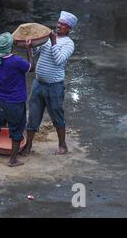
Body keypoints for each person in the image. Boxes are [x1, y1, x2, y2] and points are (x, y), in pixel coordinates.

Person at [22, 11, 77, 156]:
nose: (59, 26)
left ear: (69, 28)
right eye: (59, 23)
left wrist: (53, 42)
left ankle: (62, 145)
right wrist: (30, 47)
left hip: (54, 86)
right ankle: (28, 145)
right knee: (33, 116)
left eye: (63, 25)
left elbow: (59, 60)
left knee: (57, 115)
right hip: (38, 83)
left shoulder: (69, 44)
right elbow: (37, 52)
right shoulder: (47, 38)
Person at [0, 32, 35, 167]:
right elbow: (31, 68)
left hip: (0, 100)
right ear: (11, 47)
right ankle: (12, 160)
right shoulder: (16, 61)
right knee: (17, 130)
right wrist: (29, 49)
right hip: (15, 103)